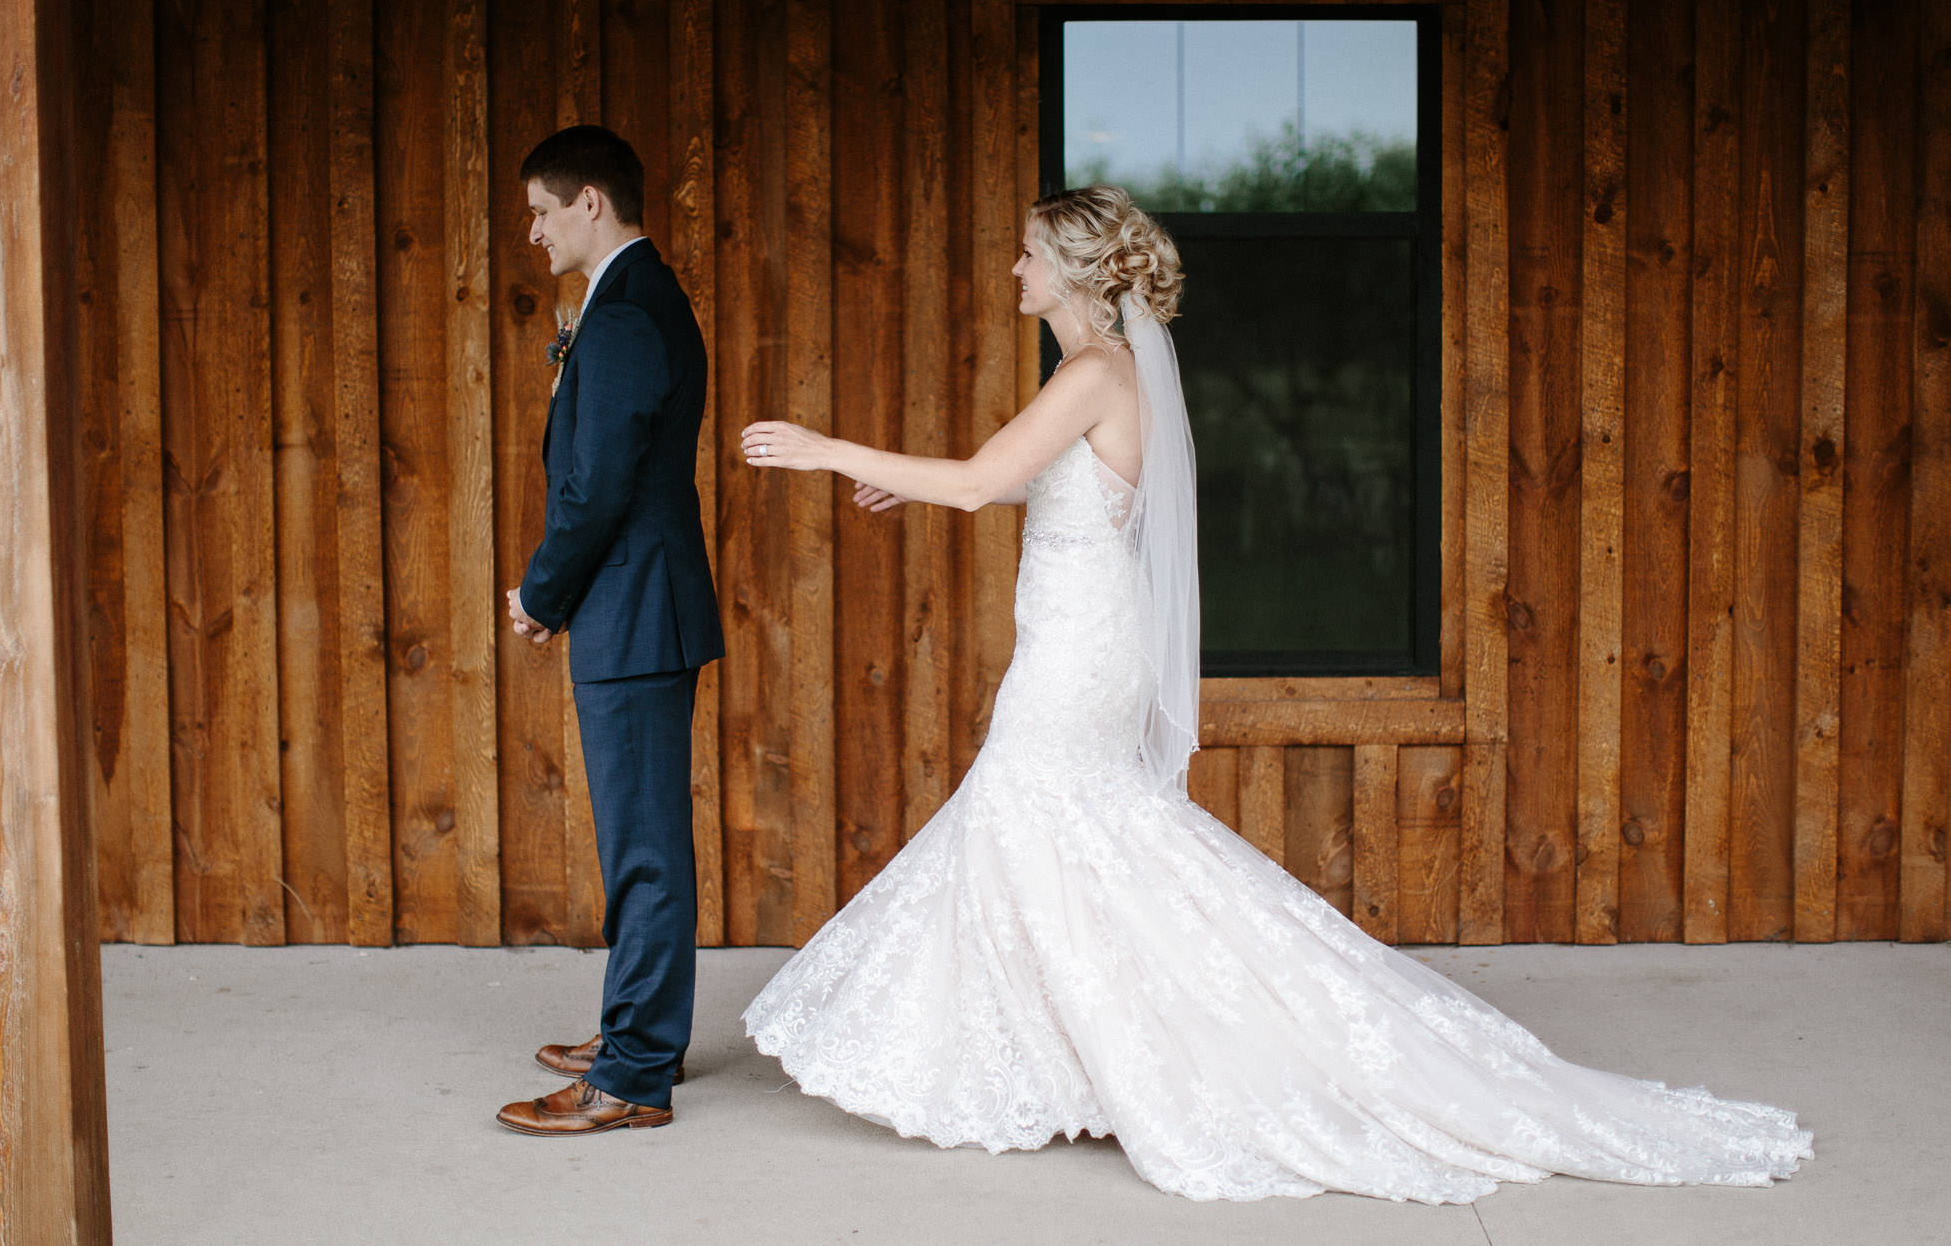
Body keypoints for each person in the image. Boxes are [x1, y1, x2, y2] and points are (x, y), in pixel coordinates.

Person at [735, 184, 1813, 1201]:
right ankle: (1077, 1058)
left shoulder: (1093, 372)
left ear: (1070, 269)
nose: (1011, 267)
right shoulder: (1099, 378)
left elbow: (973, 483)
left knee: (1049, 826)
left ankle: (1164, 1046)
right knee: (1072, 840)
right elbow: (1031, 475)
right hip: (1079, 637)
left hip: (1075, 652)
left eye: (1026, 252)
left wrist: (824, 450)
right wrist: (913, 477)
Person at [494, 126, 724, 1137]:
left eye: (541, 212)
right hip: (640, 600)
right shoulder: (634, 300)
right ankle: (643, 1031)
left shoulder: (626, 312)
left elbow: (596, 487)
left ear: (591, 202)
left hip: (632, 604)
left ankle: (632, 1070)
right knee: (644, 838)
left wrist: (542, 592)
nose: (533, 234)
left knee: (640, 847)